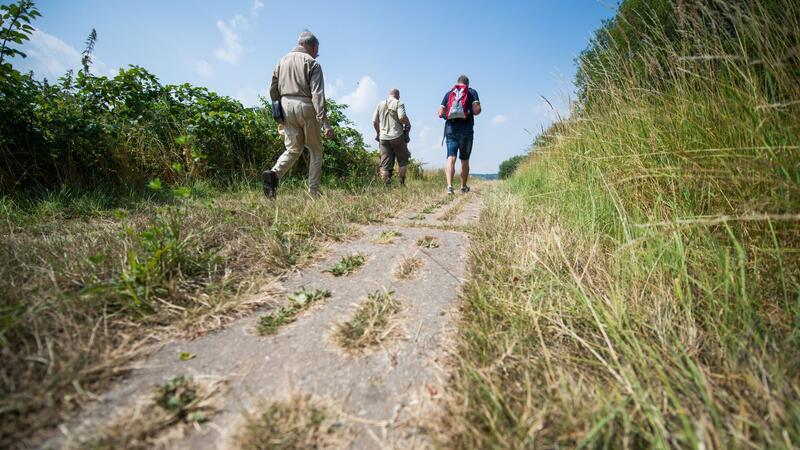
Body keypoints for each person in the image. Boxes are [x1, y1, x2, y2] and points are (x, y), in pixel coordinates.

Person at [262, 31, 334, 198]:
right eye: (317, 51)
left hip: (285, 106)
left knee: (293, 149)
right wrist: (325, 123)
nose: (317, 54)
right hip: (306, 106)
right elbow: (317, 94)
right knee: (316, 151)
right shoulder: (312, 63)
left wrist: (278, 110)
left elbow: (272, 89)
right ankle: (313, 192)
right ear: (313, 46)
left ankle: (273, 175)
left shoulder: (281, 61)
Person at [437, 75, 481, 194]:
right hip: (466, 130)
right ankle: (463, 187)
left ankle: (450, 187)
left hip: (451, 129)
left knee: (451, 158)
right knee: (464, 160)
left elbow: (440, 113)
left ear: (457, 83)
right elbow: (477, 111)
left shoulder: (449, 93)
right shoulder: (471, 92)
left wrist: (449, 115)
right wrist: (469, 110)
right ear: (467, 84)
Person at [372, 88, 411, 186]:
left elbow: (374, 121)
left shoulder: (380, 104)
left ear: (390, 95)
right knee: (402, 161)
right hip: (397, 136)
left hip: (383, 138)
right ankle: (402, 183)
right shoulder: (399, 103)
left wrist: (378, 132)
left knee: (385, 165)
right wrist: (408, 124)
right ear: (398, 95)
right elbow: (402, 118)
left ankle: (386, 187)